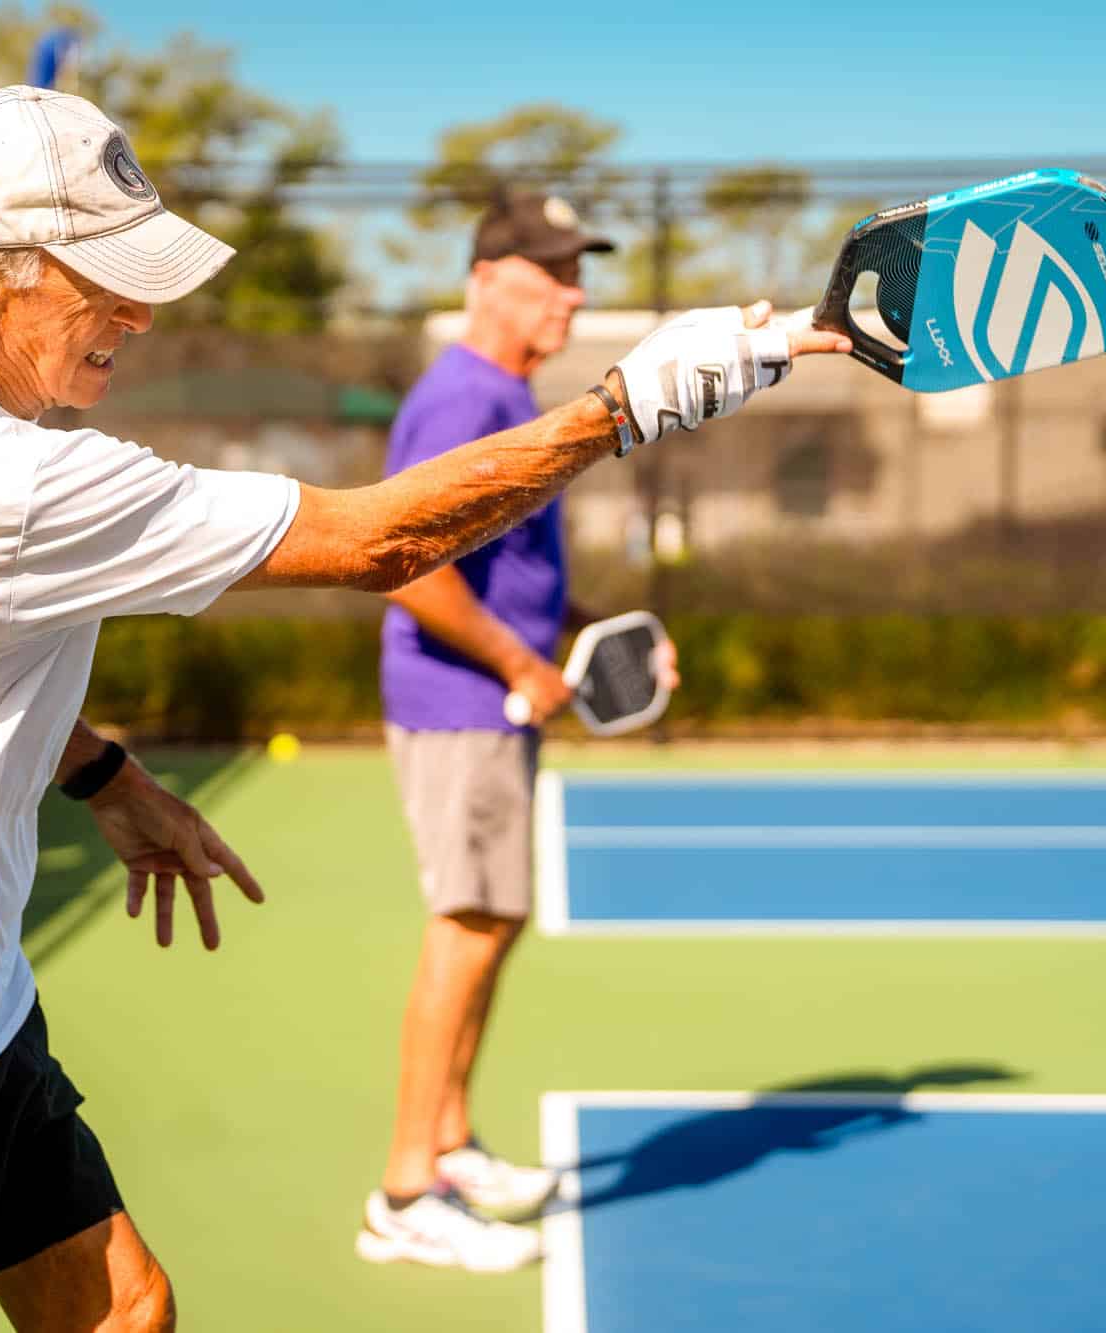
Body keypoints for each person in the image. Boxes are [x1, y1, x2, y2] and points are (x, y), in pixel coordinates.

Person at [0, 84, 847, 1332]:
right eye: (99, 280)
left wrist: (106, 777)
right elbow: (379, 541)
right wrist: (629, 405)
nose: (139, 313)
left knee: (126, 1311)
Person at [355, 189, 678, 1273]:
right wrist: (520, 665)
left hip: (492, 699)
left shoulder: (504, 392)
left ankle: (447, 1143)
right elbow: (406, 564)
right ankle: (404, 1187)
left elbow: (513, 573)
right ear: (485, 278)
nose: (573, 290)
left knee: (491, 922)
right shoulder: (462, 399)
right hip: (463, 704)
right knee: (466, 926)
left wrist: (594, 636)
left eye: (576, 267)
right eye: (549, 269)